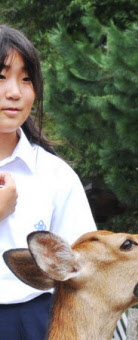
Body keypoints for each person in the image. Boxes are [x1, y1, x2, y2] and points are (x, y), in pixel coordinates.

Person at [0, 25, 96, 339]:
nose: (14, 92)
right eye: (1, 77)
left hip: (38, 322)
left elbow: (86, 269)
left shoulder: (55, 176)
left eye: (26, 79)